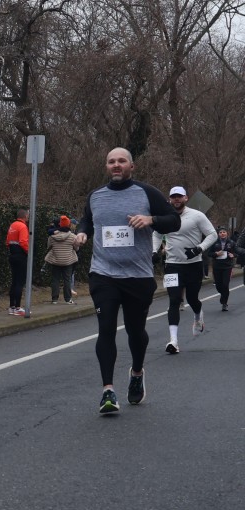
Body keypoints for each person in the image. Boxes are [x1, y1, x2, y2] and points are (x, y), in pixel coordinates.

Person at [74, 147, 180, 415]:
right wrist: (82, 233)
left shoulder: (147, 193)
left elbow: (174, 222)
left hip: (138, 276)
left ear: (132, 166)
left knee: (135, 331)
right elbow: (87, 221)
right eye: (111, 161)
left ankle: (137, 372)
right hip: (103, 274)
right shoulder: (96, 196)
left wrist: (151, 219)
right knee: (106, 328)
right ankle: (107, 391)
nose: (116, 165)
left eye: (122, 161)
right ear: (106, 166)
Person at [151, 185, 216, 354]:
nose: (176, 199)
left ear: (186, 198)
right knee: (174, 300)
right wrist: (154, 251)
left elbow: (212, 234)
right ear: (169, 199)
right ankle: (173, 341)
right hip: (172, 265)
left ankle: (198, 316)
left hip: (194, 264)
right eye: (173, 197)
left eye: (179, 196)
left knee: (193, 299)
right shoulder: (164, 217)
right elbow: (156, 234)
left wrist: (199, 248)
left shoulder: (197, 215)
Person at [46, 215, 78, 304]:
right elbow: (76, 248)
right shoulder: (73, 236)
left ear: (59, 224)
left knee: (55, 279)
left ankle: (54, 299)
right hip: (68, 261)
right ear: (68, 225)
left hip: (55, 260)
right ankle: (68, 299)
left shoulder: (52, 236)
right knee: (67, 280)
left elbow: (48, 246)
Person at [6, 209, 29, 315]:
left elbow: (7, 242)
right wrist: (29, 252)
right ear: (25, 216)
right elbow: (23, 242)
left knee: (14, 281)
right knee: (20, 282)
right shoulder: (23, 226)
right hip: (20, 256)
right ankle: (18, 307)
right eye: (27, 216)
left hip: (12, 255)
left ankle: (12, 306)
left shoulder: (12, 225)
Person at [209, 226, 235, 311]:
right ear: (218, 234)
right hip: (217, 266)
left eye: (224, 232)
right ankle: (224, 294)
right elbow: (209, 253)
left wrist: (233, 255)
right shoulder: (214, 243)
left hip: (227, 266)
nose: (222, 233)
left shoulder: (231, 242)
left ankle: (224, 303)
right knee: (218, 285)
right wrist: (216, 254)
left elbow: (236, 252)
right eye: (220, 232)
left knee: (225, 285)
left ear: (227, 233)